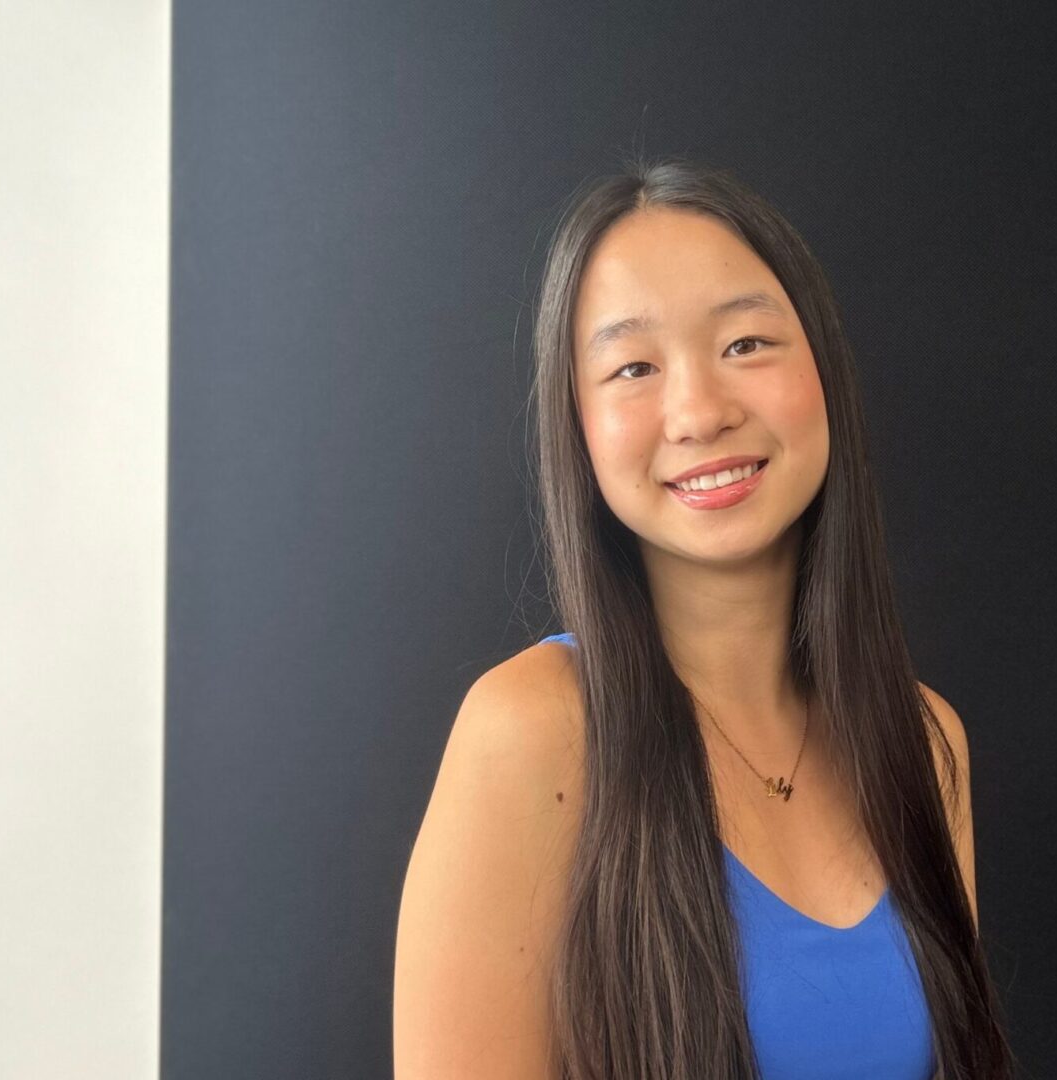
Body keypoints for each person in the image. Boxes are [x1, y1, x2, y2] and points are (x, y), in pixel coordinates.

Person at [394, 155, 1018, 1079]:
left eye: (745, 346)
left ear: (824, 371)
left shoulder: (926, 747)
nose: (697, 411)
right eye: (633, 366)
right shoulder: (533, 731)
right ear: (580, 429)